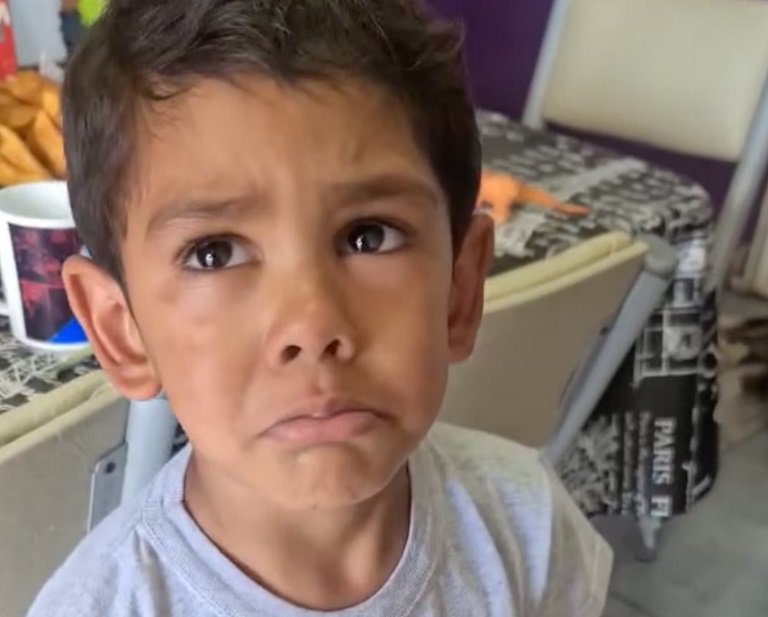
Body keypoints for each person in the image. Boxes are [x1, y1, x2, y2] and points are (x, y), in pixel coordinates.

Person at [28, 0, 613, 615]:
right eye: (214, 254)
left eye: (369, 236)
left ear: (459, 290)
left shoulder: (529, 526)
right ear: (121, 331)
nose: (311, 326)